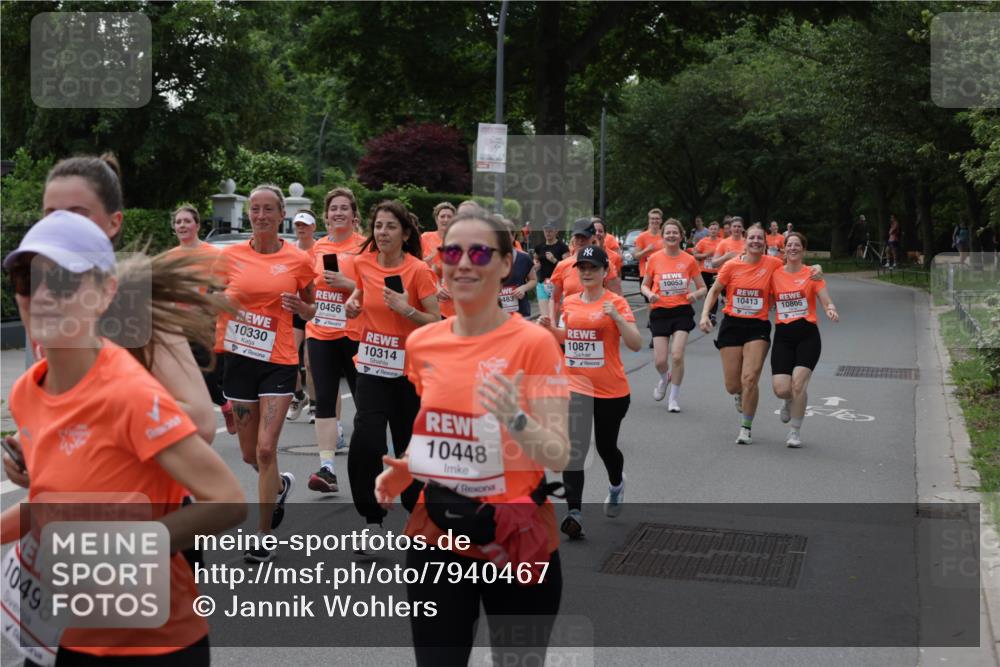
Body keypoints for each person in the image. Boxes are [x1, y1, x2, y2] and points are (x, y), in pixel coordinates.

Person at [1, 210, 246, 666]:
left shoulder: (129, 393)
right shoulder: (25, 392)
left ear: (104, 292)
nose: (42, 295)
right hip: (66, 636)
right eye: (25, 280)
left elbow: (228, 502)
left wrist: (124, 551)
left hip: (155, 645)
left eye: (63, 282)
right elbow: (51, 503)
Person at [374, 209, 570, 666]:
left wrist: (514, 419)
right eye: (452, 253)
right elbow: (436, 427)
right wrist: (407, 466)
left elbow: (559, 453)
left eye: (479, 253)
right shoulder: (423, 343)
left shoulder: (534, 343)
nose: (463, 263)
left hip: (516, 537)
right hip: (438, 535)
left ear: (505, 264)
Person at [3, 154, 219, 488]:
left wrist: (80, 424)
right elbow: (57, 405)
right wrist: (28, 439)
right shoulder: (38, 292)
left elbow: (201, 421)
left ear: (114, 222)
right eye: (51, 214)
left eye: (77, 213)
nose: (62, 224)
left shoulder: (129, 296)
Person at [216, 184, 315, 562]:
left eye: (268, 209)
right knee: (248, 455)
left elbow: (312, 308)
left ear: (281, 215)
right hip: (239, 361)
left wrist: (301, 310)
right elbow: (209, 295)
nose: (260, 215)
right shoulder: (229, 257)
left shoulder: (298, 260)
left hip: (279, 361)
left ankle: (263, 534)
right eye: (254, 209)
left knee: (265, 448)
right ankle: (279, 486)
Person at [344, 200, 440, 538]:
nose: (382, 232)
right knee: (366, 441)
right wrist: (352, 304)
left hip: (409, 373)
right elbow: (359, 295)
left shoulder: (418, 271)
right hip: (371, 366)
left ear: (406, 234)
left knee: (407, 446)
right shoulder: (362, 263)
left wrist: (407, 309)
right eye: (378, 226)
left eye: (390, 226)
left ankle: (417, 514)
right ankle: (372, 518)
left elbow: (436, 320)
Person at [538, 245, 640, 538]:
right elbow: (568, 338)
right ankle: (575, 513)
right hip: (576, 387)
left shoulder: (616, 302)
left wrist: (617, 318)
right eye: (582, 267)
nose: (586, 272)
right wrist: (549, 329)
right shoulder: (570, 303)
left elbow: (635, 343)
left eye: (593, 268)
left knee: (607, 447)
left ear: (605, 271)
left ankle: (616, 484)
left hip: (611, 390)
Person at [699, 224, 822, 445]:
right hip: (732, 325)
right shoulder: (731, 265)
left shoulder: (773, 263)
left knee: (750, 378)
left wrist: (817, 267)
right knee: (733, 385)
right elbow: (715, 290)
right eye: (752, 238)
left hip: (758, 326)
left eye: (759, 239)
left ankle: (745, 428)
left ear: (765, 243)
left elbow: (796, 265)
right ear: (745, 241)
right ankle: (740, 394)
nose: (756, 241)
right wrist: (704, 314)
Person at [304, 187, 366, 493]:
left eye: (344, 208)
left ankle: (372, 461)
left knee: (364, 401)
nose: (338, 213)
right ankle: (327, 469)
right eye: (333, 209)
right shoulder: (317, 247)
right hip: (321, 332)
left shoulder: (365, 247)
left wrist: (348, 284)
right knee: (325, 399)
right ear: (326, 216)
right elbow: (308, 287)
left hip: (355, 333)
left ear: (354, 215)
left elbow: (377, 287)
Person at [167, 204, 236, 435]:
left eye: (187, 221)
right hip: (178, 325)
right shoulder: (169, 258)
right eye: (178, 222)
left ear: (197, 225)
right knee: (181, 378)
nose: (182, 225)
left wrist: (216, 299)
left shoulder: (214, 255)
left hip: (207, 325)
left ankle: (224, 404)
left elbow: (230, 283)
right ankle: (188, 427)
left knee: (205, 376)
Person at [770, 232, 839, 448]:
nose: (793, 248)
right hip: (783, 336)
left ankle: (795, 432)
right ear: (784, 249)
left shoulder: (812, 274)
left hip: (807, 335)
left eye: (797, 245)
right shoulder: (775, 274)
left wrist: (830, 309)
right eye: (789, 245)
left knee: (798, 384)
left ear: (803, 249)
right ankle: (787, 400)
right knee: (782, 389)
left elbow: (825, 299)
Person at [641, 219, 707, 412]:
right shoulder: (654, 259)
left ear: (681, 236)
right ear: (663, 236)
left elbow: (703, 287)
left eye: (675, 232)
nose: (671, 235)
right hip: (660, 312)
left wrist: (695, 295)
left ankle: (673, 399)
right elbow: (644, 285)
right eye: (668, 233)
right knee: (660, 361)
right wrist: (650, 294)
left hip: (681, 312)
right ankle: (665, 378)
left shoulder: (689, 260)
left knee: (677, 355)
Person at [549, 219, 620, 319]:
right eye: (577, 236)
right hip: (571, 320)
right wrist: (552, 323)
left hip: (599, 319)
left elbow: (618, 297)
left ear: (593, 238)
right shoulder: (562, 265)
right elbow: (555, 300)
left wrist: (619, 321)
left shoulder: (605, 264)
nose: (580, 240)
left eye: (584, 237)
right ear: (573, 238)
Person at [288, 210, 319, 422]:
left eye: (305, 225)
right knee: (288, 358)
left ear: (313, 227)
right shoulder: (289, 250)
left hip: (316, 309)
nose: (301, 229)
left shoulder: (321, 250)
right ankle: (299, 396)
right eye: (298, 225)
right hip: (294, 309)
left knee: (309, 362)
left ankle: (315, 405)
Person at [423, 203, 458, 319]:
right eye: (442, 216)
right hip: (427, 292)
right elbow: (416, 263)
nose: (446, 219)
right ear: (436, 219)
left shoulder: (459, 241)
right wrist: (431, 257)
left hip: (450, 298)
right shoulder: (425, 238)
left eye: (449, 216)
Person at [533, 221, 570, 320]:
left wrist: (554, 260)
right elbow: (535, 258)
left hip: (557, 285)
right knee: (545, 317)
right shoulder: (539, 247)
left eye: (550, 230)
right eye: (546, 230)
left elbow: (567, 267)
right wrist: (536, 264)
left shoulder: (562, 247)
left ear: (556, 231)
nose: (548, 233)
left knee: (554, 319)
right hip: (542, 284)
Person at [500, 219, 538, 317]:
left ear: (513, 237)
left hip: (521, 312)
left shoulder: (524, 258)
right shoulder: (490, 258)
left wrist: (523, 288)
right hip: (497, 314)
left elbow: (533, 280)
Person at [693, 220, 723, 324]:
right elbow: (695, 255)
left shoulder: (722, 242)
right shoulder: (703, 242)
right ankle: (709, 312)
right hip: (705, 271)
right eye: (711, 229)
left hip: (717, 271)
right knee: (707, 292)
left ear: (718, 231)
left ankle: (713, 315)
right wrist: (706, 255)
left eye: (715, 229)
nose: (713, 231)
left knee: (714, 292)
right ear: (708, 231)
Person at [592, 219, 624, 295]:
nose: (597, 233)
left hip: (607, 296)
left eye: (600, 231)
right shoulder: (584, 253)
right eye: (594, 231)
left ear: (605, 234)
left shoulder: (615, 256)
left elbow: (618, 277)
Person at [632, 208, 665, 280]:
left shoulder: (665, 235)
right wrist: (646, 250)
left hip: (662, 272)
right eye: (652, 218)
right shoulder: (642, 236)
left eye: (657, 219)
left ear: (661, 220)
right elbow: (636, 256)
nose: (655, 221)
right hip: (646, 273)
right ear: (649, 220)